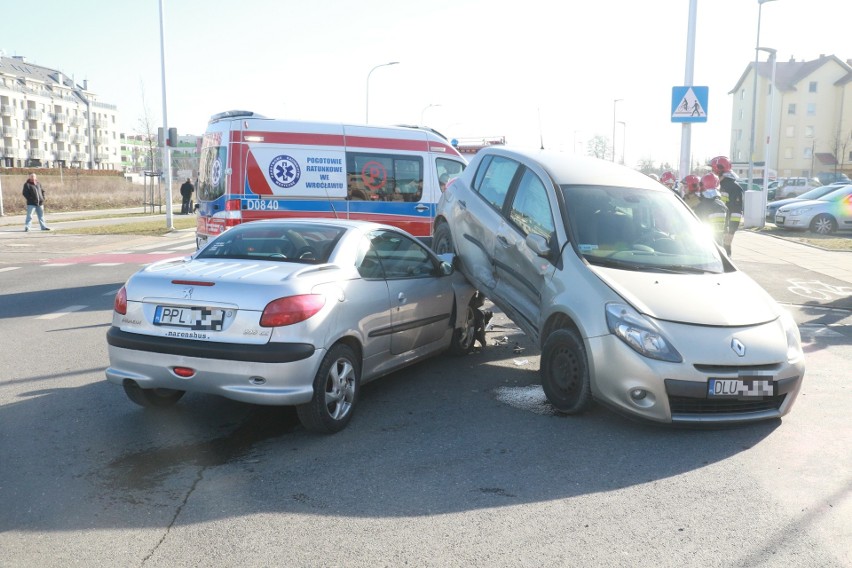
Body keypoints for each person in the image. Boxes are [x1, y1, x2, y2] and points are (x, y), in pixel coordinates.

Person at [682, 173, 728, 249]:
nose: (684, 189)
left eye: (685, 187)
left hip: (704, 247)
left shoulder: (701, 206)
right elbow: (726, 229)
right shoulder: (723, 206)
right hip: (719, 247)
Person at [710, 156, 742, 257]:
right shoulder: (715, 185)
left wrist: (731, 232)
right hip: (711, 228)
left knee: (724, 258)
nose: (711, 172)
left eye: (712, 169)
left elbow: (736, 213)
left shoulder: (734, 188)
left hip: (724, 231)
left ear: (718, 170)